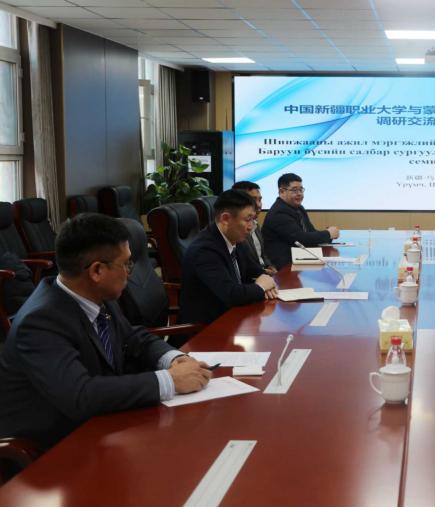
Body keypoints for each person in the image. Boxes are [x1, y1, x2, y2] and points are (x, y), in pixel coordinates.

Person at [0, 213, 211, 449]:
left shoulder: (96, 295)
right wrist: (169, 381)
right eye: (126, 264)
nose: (130, 272)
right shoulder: (40, 322)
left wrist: (174, 359)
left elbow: (134, 337)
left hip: (102, 426)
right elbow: (81, 395)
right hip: (53, 450)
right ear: (97, 271)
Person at [179, 190, 278, 337]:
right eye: (248, 219)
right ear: (225, 218)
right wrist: (261, 287)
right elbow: (231, 294)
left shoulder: (235, 239)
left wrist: (265, 280)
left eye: (253, 219)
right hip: (206, 331)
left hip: (234, 319)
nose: (251, 226)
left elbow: (256, 271)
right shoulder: (204, 250)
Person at [263, 173, 340, 267]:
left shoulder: (299, 208)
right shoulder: (279, 213)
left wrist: (329, 235)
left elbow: (311, 232)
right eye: (294, 190)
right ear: (282, 192)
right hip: (283, 266)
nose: (299, 193)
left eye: (301, 190)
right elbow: (301, 239)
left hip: (300, 260)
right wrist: (328, 234)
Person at [231, 180, 277, 276]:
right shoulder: (237, 231)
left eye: (260, 200)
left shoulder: (256, 225)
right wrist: (264, 272)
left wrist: (270, 266)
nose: (259, 205)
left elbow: (263, 255)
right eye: (253, 200)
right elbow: (246, 266)